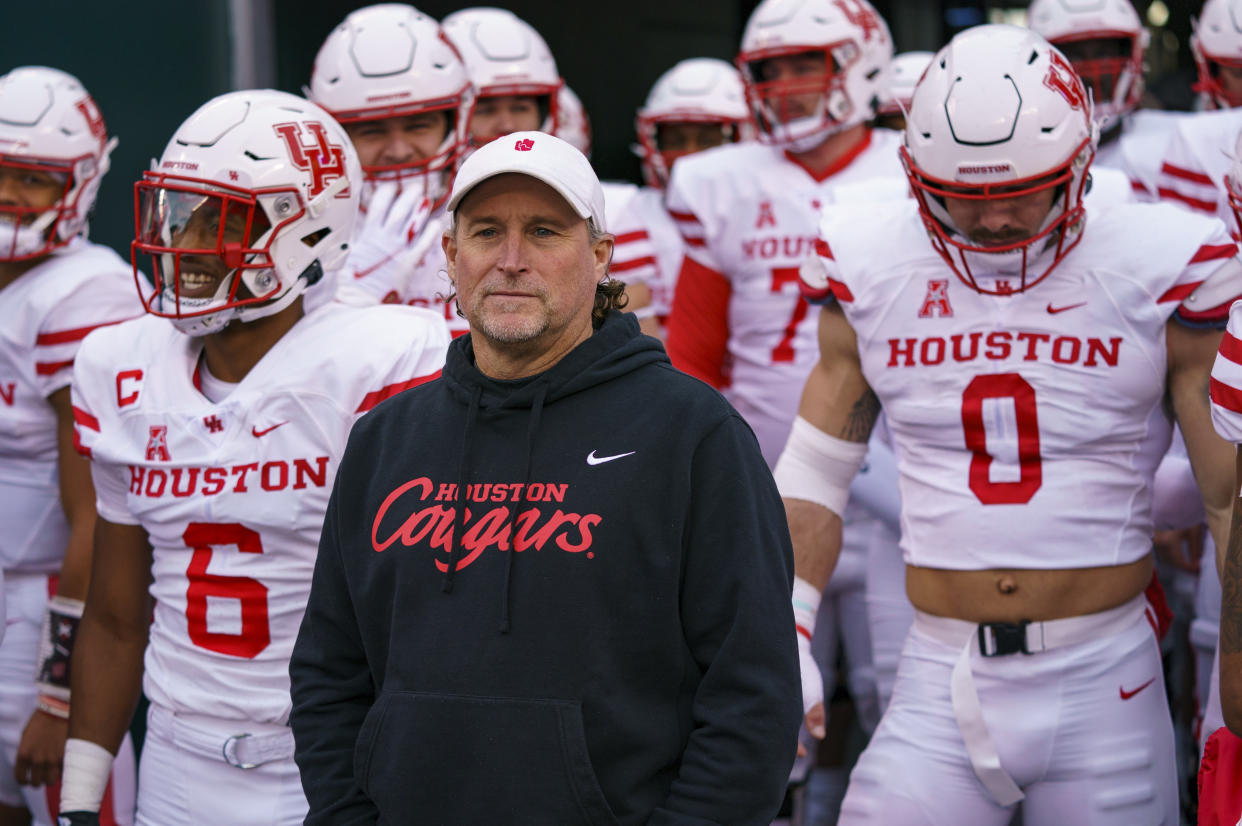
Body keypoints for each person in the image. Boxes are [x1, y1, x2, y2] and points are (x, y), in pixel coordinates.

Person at [784, 24, 1238, 823]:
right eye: (963, 198)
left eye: (1021, 194)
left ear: (1083, 163)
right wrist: (786, 625)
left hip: (1107, 676)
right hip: (936, 672)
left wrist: (1231, 683)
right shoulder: (868, 257)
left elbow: (1228, 496)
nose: (993, 224)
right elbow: (818, 468)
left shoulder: (1163, 260)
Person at [288, 131, 801, 826]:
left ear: (598, 257)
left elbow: (754, 695)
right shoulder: (386, 438)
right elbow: (328, 671)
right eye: (486, 232)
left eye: (543, 232)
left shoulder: (691, 434)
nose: (510, 261)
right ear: (451, 255)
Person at [56, 89, 449, 826]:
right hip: (177, 757)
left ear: (308, 231)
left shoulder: (380, 358)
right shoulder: (118, 364)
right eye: (178, 212)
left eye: (221, 220)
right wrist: (81, 794)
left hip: (330, 759)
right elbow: (115, 615)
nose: (185, 243)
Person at [0, 66, 138, 826]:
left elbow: (96, 519)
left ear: (79, 185)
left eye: (32, 178)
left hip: (42, 610)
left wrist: (60, 691)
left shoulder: (82, 294)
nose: (11, 194)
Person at [306, 3, 473, 329]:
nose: (398, 151)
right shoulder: (302, 229)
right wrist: (350, 296)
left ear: (457, 121)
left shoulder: (494, 207)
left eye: (418, 125)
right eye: (372, 130)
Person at [632, 58, 752, 329]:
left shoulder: (761, 214)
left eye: (707, 140)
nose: (689, 157)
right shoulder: (626, 213)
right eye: (675, 140)